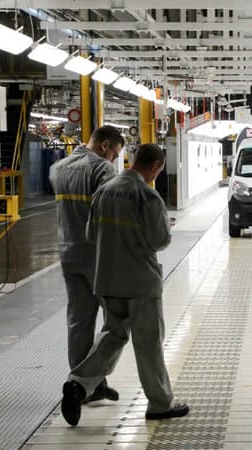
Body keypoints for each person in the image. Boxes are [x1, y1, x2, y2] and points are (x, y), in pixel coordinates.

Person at [61, 144, 189, 426]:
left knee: (113, 334)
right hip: (140, 282)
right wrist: (165, 227)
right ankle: (159, 403)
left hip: (106, 279)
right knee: (148, 343)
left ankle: (79, 382)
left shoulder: (103, 191)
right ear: (155, 166)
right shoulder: (147, 195)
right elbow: (159, 241)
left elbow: (90, 234)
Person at [50, 125, 125, 403]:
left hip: (68, 252)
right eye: (115, 153)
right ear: (105, 146)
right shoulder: (102, 170)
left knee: (79, 320)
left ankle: (86, 385)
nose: (115, 160)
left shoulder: (58, 168)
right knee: (117, 320)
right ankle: (87, 379)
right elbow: (110, 216)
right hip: (98, 257)